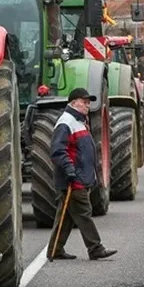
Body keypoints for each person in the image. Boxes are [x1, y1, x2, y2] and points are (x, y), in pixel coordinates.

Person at [46, 88, 118, 261]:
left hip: (78, 178)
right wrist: (70, 169)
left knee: (68, 216)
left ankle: (55, 250)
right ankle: (95, 248)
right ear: (72, 103)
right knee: (84, 213)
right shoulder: (66, 122)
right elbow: (57, 150)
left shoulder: (78, 121)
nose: (87, 105)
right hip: (73, 180)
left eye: (88, 102)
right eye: (83, 102)